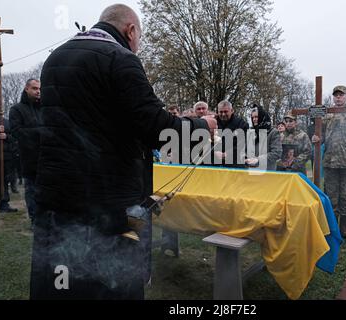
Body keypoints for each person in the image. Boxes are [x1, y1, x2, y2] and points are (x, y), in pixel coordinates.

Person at [30, 4, 212, 300]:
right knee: (112, 285)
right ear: (130, 30)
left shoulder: (55, 58)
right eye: (139, 38)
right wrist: (202, 126)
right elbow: (156, 129)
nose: (138, 46)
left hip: (58, 199)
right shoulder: (120, 58)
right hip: (106, 204)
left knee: (61, 283)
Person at [312, 86, 346, 239]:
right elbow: (320, 133)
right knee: (331, 197)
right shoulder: (326, 114)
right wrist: (316, 138)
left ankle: (344, 228)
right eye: (335, 95)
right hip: (330, 163)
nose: (338, 98)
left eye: (341, 95)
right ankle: (332, 228)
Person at [9, 79, 42, 224]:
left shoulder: (44, 108)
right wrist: (40, 132)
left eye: (39, 89)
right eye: (34, 88)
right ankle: (35, 218)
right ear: (26, 89)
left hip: (47, 157)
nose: (38, 91)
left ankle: (46, 218)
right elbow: (17, 131)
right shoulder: (16, 109)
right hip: (29, 157)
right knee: (32, 189)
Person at [0, 98, 18, 215]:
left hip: (5, 156)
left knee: (4, 181)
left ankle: (4, 204)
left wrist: (6, 136)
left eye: (0, 104)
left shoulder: (6, 121)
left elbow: (14, 136)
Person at [245, 105, 282, 171]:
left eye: (256, 117)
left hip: (267, 172)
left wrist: (258, 159)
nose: (254, 119)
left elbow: (277, 153)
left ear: (262, 117)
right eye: (252, 117)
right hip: (251, 171)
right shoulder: (251, 132)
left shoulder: (273, 132)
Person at [216, 100, 249, 168]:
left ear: (232, 110)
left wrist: (227, 154)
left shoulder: (241, 124)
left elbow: (243, 144)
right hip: (215, 162)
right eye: (221, 112)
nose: (223, 114)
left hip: (235, 164)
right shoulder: (213, 122)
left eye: (226, 111)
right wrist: (214, 152)